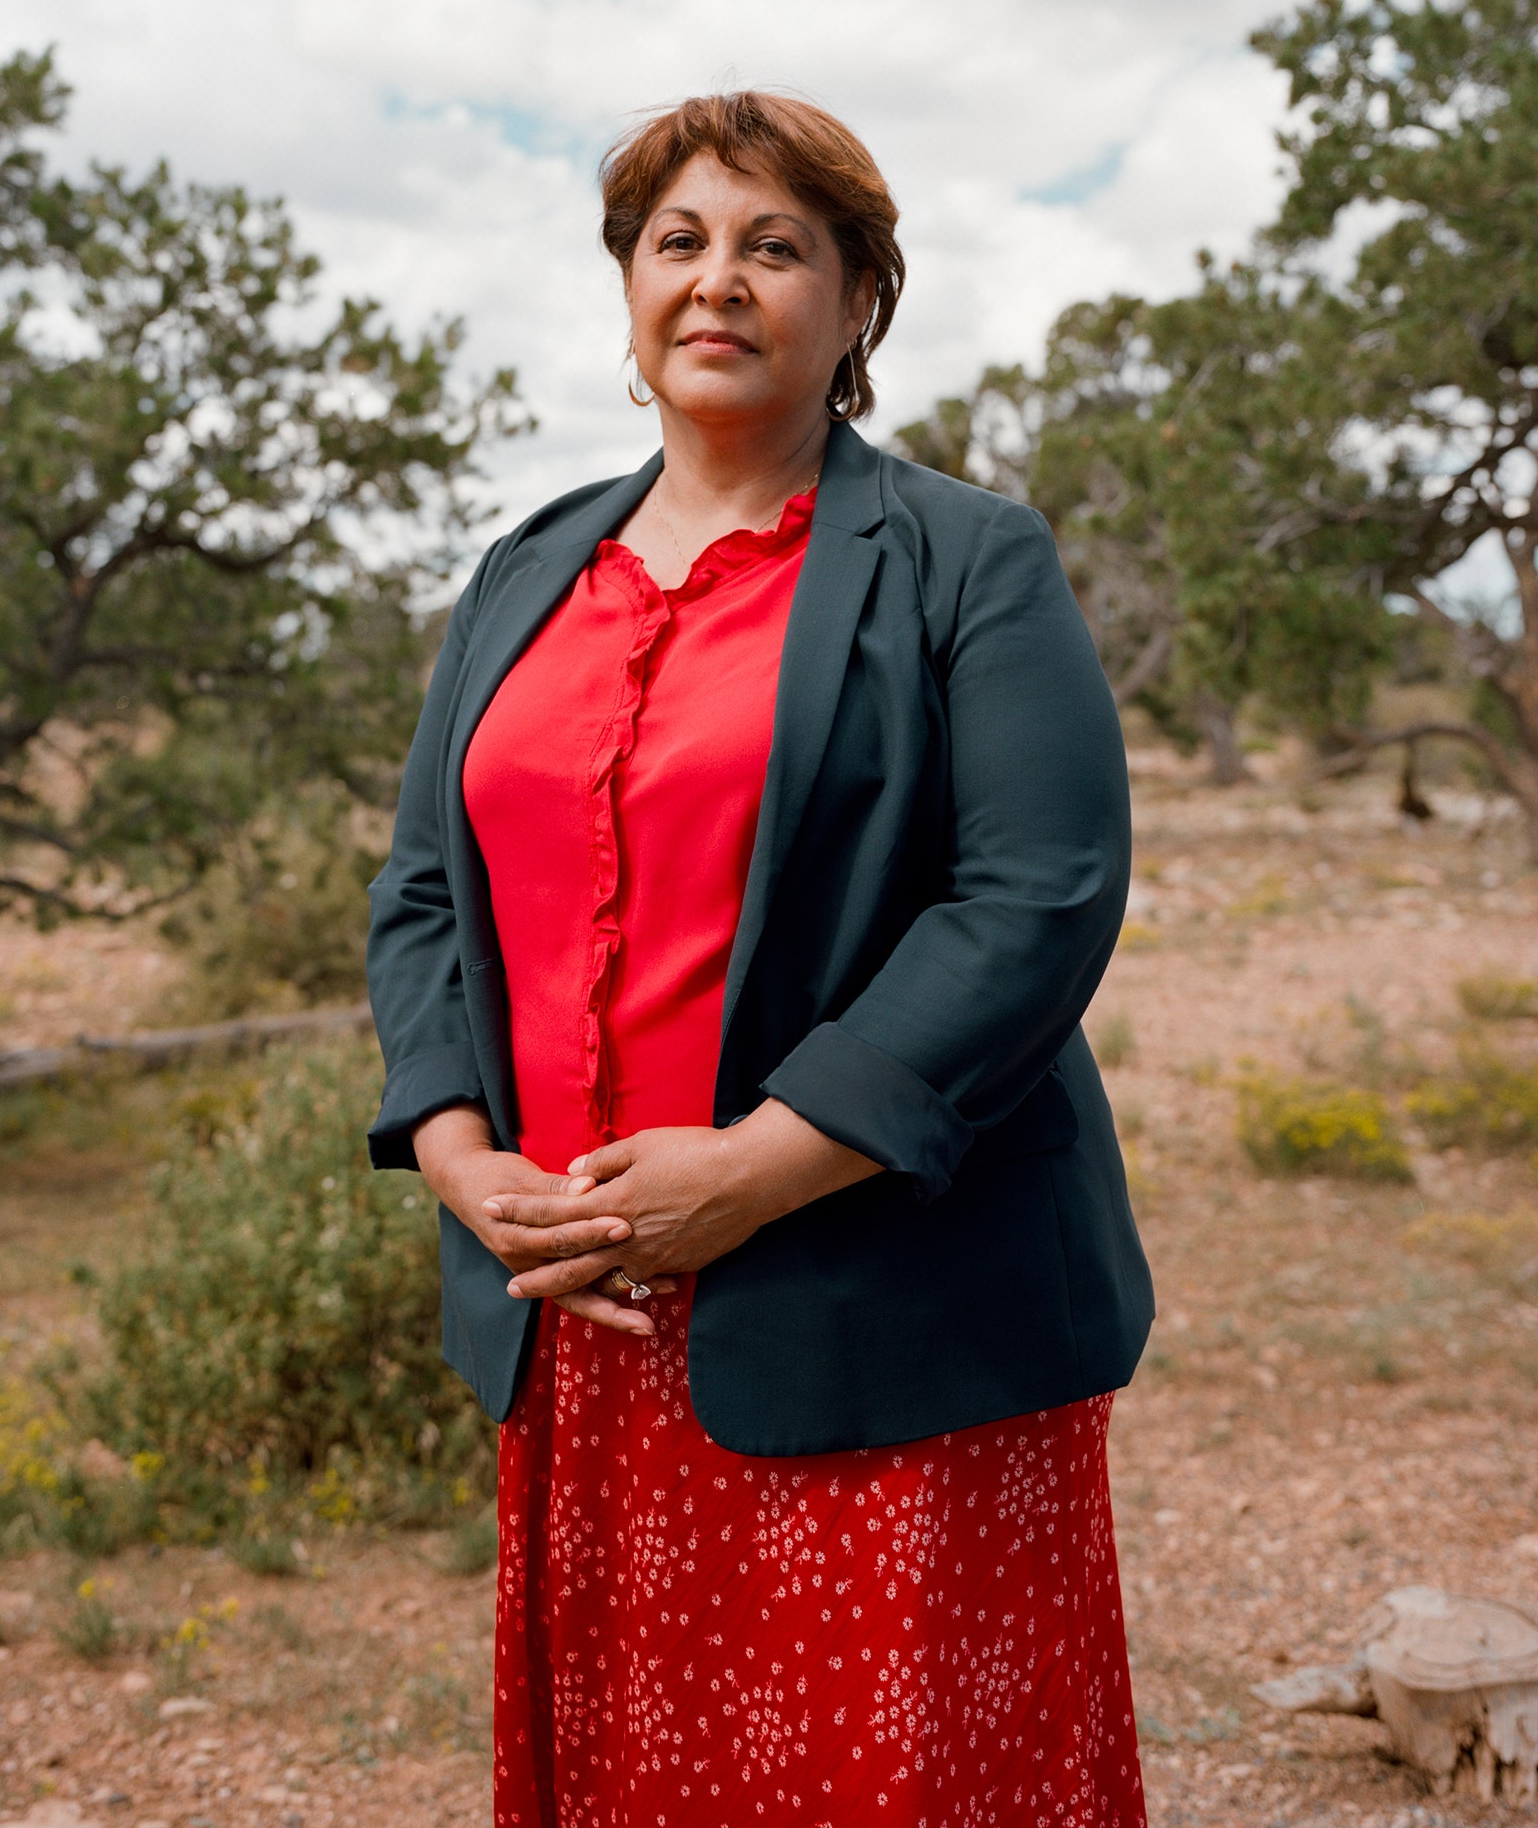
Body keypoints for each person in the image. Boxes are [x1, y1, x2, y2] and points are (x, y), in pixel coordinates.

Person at [366, 90, 1153, 1827]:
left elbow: (1035, 900)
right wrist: (458, 1157)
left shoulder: (966, 561)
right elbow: (427, 890)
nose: (719, 281)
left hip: (895, 1321)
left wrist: (748, 1174)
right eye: (680, 242)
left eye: (775, 245)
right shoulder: (520, 574)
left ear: (860, 300)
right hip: (587, 1320)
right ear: (629, 296)